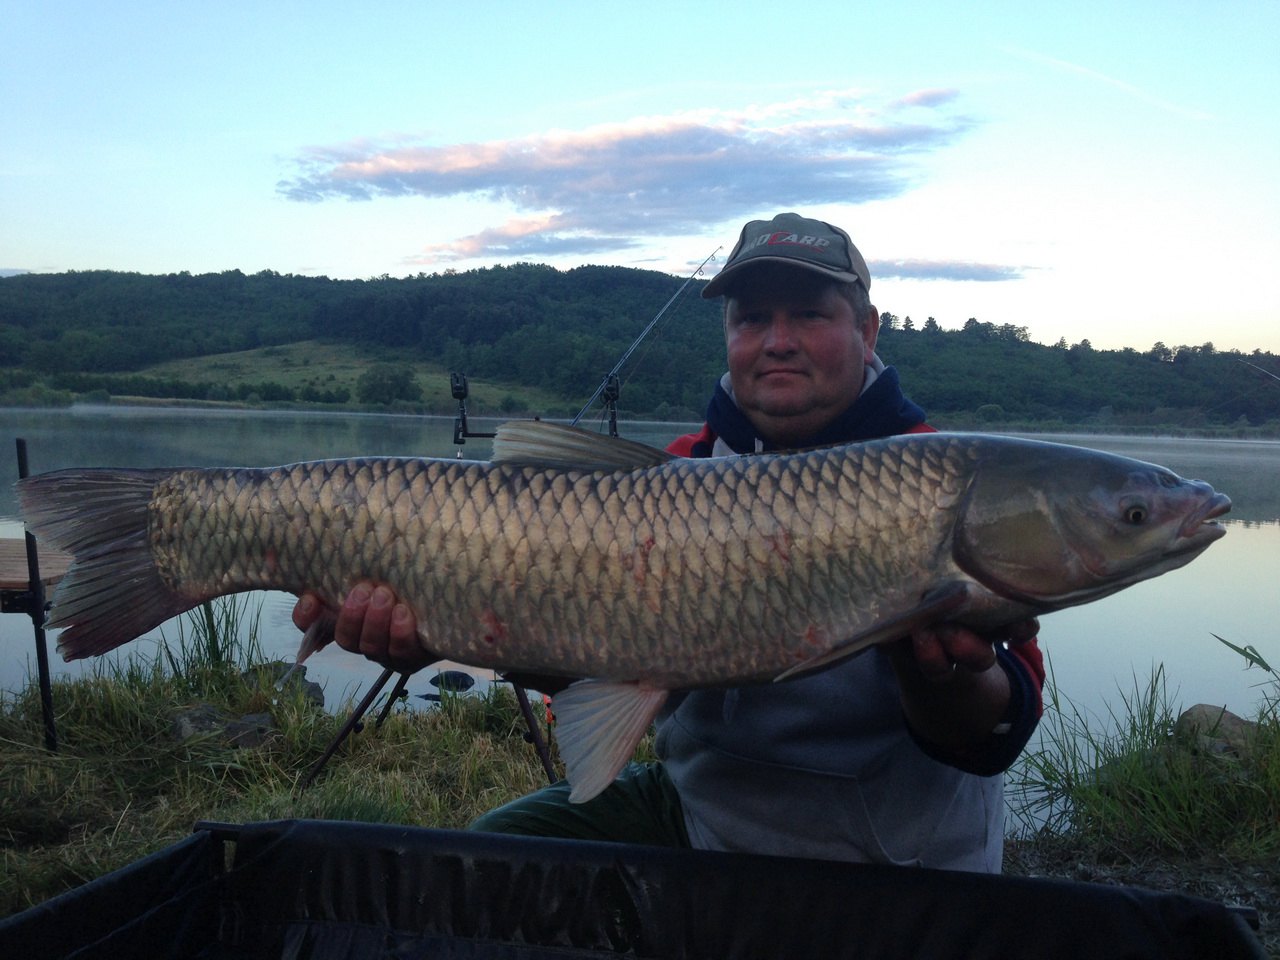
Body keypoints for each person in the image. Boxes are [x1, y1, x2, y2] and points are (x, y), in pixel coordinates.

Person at [292, 212, 1045, 873]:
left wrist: (941, 676)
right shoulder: (677, 474)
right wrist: (439, 632)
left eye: (810, 314)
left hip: (894, 862)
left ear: (868, 330)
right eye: (752, 319)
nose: (777, 342)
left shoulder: (943, 477)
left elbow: (996, 733)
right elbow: (591, 663)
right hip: (705, 820)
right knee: (493, 859)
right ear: (728, 336)